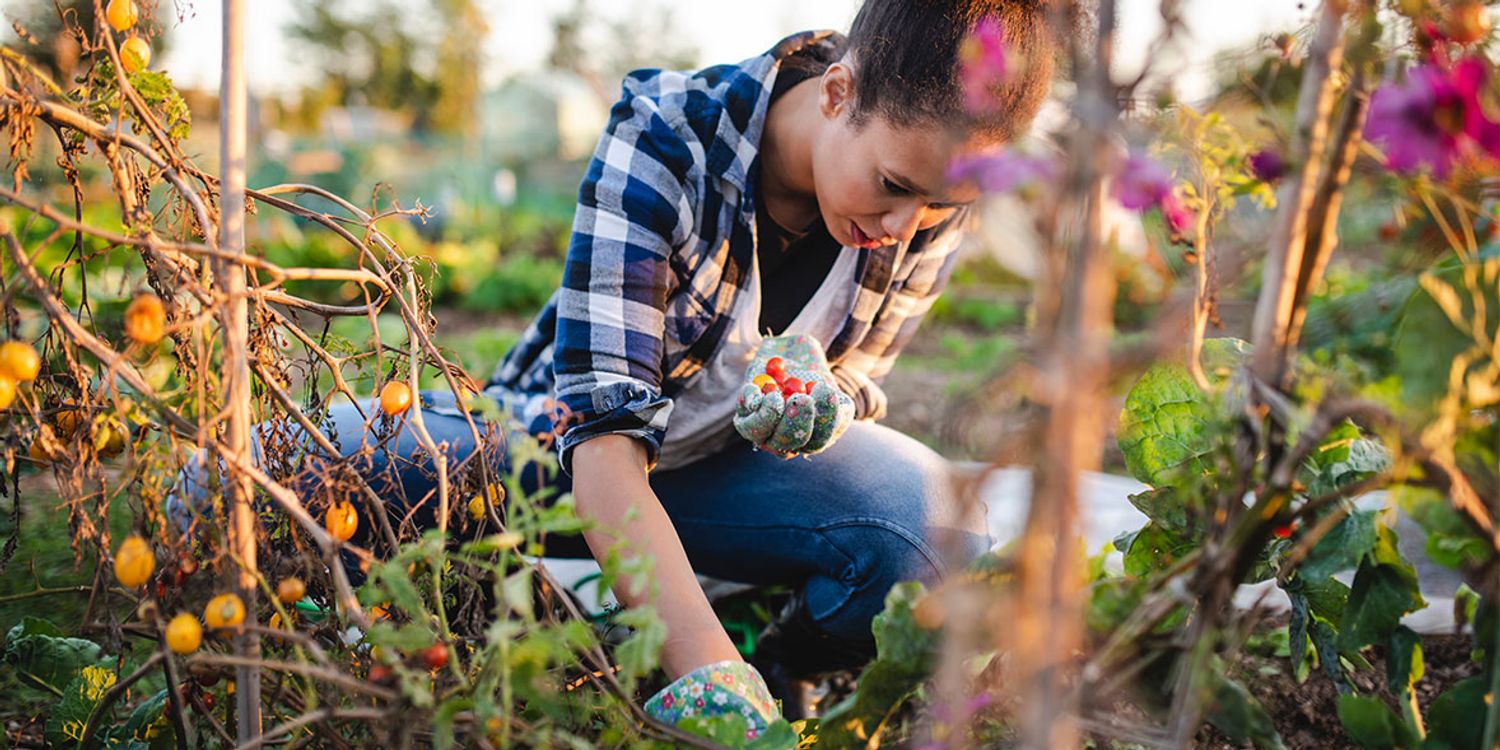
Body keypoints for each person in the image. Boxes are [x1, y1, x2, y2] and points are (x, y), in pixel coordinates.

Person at [172, 0, 1061, 735]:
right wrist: (710, 679)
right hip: (542, 460)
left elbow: (860, 374)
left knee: (929, 528)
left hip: (719, 483)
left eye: (942, 205)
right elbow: (600, 454)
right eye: (896, 186)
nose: (908, 224)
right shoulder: (670, 137)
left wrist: (832, 401)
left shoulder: (932, 195)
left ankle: (778, 659)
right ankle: (707, 653)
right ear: (838, 92)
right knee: (238, 481)